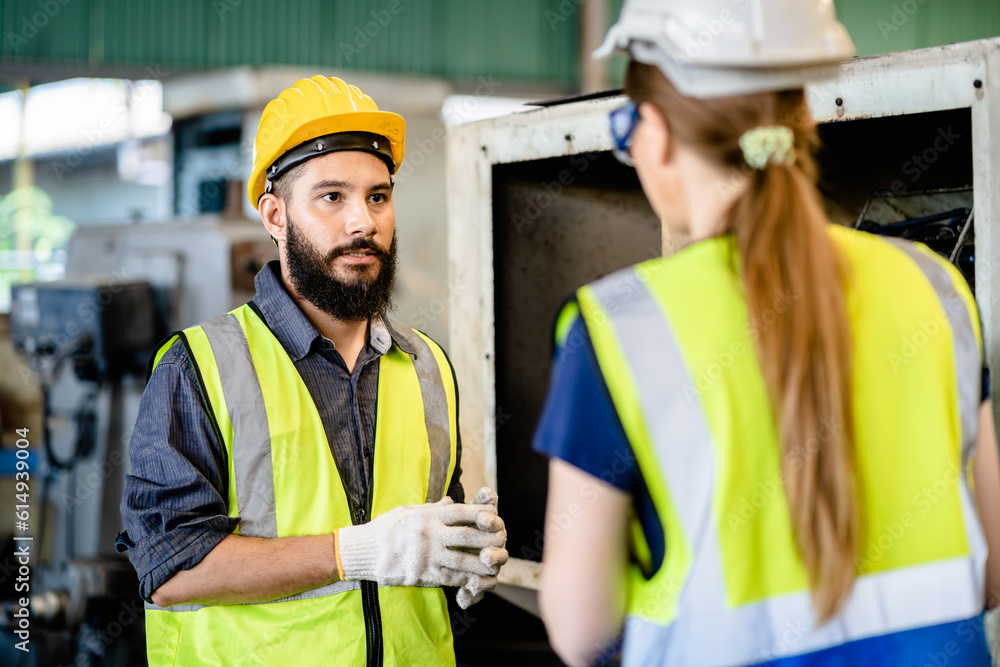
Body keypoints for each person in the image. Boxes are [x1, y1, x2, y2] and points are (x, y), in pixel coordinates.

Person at [533, 1, 1000, 665]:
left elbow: (581, 631)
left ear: (655, 133)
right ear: (802, 121)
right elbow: (989, 572)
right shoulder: (935, 288)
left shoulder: (618, 326)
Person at [117, 76, 508, 667]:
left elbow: (420, 540)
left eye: (378, 197)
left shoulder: (429, 365)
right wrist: (355, 552)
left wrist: (462, 554)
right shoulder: (199, 367)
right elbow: (170, 567)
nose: (363, 223)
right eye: (332, 197)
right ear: (275, 215)